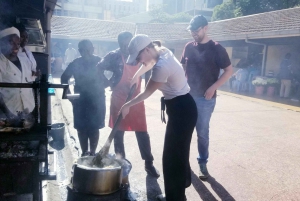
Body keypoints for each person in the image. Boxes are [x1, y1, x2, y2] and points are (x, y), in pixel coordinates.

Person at [119, 34, 197, 201]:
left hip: (182, 111)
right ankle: (178, 193)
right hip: (182, 108)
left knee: (172, 157)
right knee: (179, 153)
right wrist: (136, 76)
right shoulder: (162, 51)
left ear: (147, 49)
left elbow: (146, 93)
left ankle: (174, 198)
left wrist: (126, 106)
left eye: (139, 57)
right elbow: (149, 62)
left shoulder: (161, 67)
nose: (139, 61)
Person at [97, 31, 159, 178]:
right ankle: (120, 162)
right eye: (123, 43)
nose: (127, 46)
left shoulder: (140, 53)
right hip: (119, 97)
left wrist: (147, 85)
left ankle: (149, 163)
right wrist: (109, 82)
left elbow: (149, 67)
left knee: (142, 132)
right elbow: (99, 67)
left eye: (129, 43)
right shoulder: (113, 56)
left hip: (136, 98)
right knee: (118, 132)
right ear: (119, 43)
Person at [181, 15, 233, 179]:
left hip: (205, 99)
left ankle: (202, 162)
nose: (193, 34)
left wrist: (213, 87)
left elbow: (229, 71)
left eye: (196, 31)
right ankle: (183, 163)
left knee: (202, 132)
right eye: (191, 31)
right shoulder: (189, 46)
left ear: (205, 28)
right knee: (184, 131)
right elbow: (182, 67)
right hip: (187, 96)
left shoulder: (217, 49)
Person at [61, 39, 107, 156]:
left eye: (88, 49)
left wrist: (109, 83)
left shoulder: (100, 61)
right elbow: (64, 78)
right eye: (83, 50)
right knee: (81, 128)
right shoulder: (75, 63)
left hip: (97, 100)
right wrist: (69, 95)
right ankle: (83, 153)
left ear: (92, 49)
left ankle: (92, 152)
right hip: (80, 100)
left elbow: (108, 77)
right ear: (79, 51)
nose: (86, 52)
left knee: (94, 127)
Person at [0, 27, 35, 119]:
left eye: (18, 44)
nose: (16, 47)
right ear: (3, 43)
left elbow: (29, 83)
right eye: (12, 43)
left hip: (28, 109)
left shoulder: (24, 60)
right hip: (8, 113)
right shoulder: (1, 63)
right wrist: (8, 114)